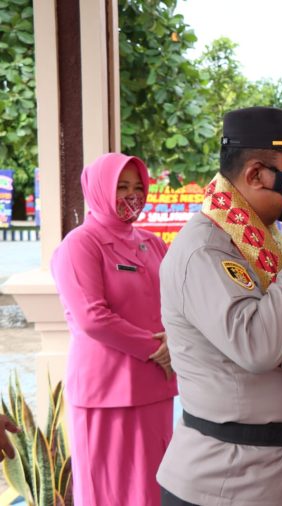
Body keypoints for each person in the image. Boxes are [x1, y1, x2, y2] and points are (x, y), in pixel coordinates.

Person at [157, 106, 282, 506]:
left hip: (271, 480)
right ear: (255, 174)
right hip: (227, 486)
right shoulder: (206, 249)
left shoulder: (260, 239)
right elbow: (258, 345)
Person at [51, 153, 177, 506]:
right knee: (109, 492)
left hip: (154, 385)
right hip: (105, 390)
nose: (132, 195)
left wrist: (176, 338)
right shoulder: (80, 244)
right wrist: (158, 349)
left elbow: (177, 301)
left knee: (152, 491)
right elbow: (92, 317)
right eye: (122, 186)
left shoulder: (152, 243)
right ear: (99, 189)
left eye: (139, 187)